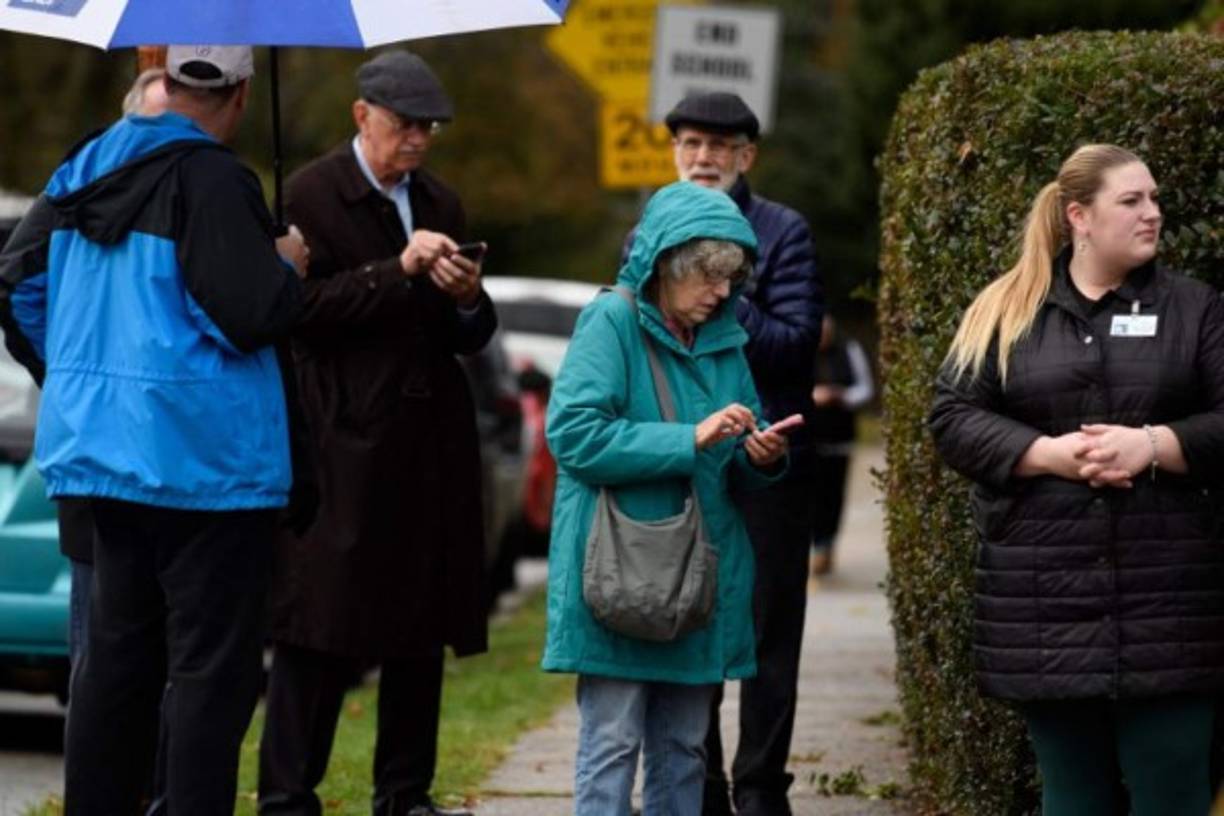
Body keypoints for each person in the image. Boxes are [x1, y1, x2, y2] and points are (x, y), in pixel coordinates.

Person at [0, 45, 307, 814]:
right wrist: (287, 265)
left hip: (102, 459)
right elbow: (252, 314)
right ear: (238, 94)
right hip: (206, 468)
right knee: (212, 673)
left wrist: (80, 381)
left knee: (115, 664)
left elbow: (16, 284)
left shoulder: (84, 164)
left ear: (167, 82)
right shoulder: (215, 178)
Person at [929, 143, 1224, 815]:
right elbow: (952, 416)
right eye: (1131, 201)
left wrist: (1152, 444)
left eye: (1154, 198)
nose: (1153, 213)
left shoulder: (1197, 309)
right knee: (1072, 801)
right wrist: (1047, 455)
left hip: (1171, 611)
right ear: (1079, 218)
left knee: (1173, 797)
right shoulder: (1005, 309)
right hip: (1046, 611)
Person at [257, 49, 496, 816]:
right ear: (362, 117)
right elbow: (301, 314)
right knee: (320, 626)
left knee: (419, 625)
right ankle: (289, 794)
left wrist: (464, 298)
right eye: (405, 125)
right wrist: (396, 270)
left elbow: (466, 332)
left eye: (429, 127)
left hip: (427, 438)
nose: (419, 139)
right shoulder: (310, 195)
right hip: (342, 436)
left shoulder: (440, 201)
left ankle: (405, 791)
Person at [543, 180, 790, 815]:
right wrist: (690, 438)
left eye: (730, 277)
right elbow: (573, 436)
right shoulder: (613, 320)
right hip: (619, 571)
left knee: (685, 747)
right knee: (613, 741)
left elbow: (736, 445)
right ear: (666, 264)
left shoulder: (725, 338)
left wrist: (761, 456)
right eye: (708, 275)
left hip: (696, 573)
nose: (721, 292)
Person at [638, 92, 822, 816]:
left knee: (771, 634)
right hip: (690, 460)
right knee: (692, 626)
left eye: (719, 146)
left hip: (768, 457)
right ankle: (703, 786)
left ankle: (762, 789)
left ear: (746, 155)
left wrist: (718, 284)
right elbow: (636, 333)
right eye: (689, 144)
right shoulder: (650, 229)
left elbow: (792, 344)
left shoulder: (785, 232)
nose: (702, 158)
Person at [61, 63, 173, 680]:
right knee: (100, 659)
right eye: (155, 125)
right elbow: (18, 287)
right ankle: (105, 781)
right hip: (99, 459)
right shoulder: (80, 193)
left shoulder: (196, 202)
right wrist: (65, 377)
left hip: (169, 459)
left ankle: (154, 779)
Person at [807, 315, 874, 576]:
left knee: (833, 496)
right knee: (809, 496)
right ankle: (816, 546)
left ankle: (827, 544)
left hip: (839, 438)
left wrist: (840, 396)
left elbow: (865, 389)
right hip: (810, 438)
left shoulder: (849, 349)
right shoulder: (803, 350)